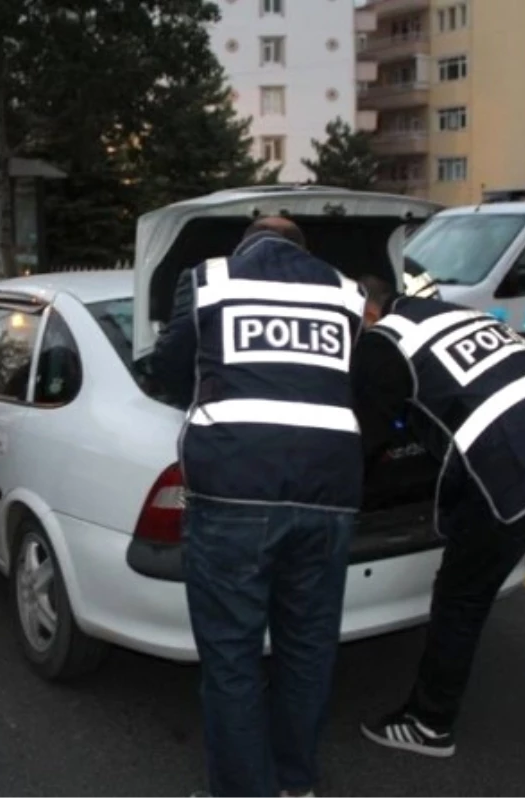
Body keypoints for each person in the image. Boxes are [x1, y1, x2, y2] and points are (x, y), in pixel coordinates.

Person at [352, 273, 525, 775]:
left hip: (517, 464)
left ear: (368, 312)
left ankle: (428, 722)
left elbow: (364, 438)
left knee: (462, 594)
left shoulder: (382, 341)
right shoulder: (453, 313)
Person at [149, 217, 367, 798]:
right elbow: (354, 379)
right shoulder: (346, 291)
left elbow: (169, 367)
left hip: (234, 487)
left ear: (244, 242)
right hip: (330, 489)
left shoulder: (210, 278)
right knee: (308, 647)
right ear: (304, 250)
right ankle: (295, 784)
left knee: (232, 655)